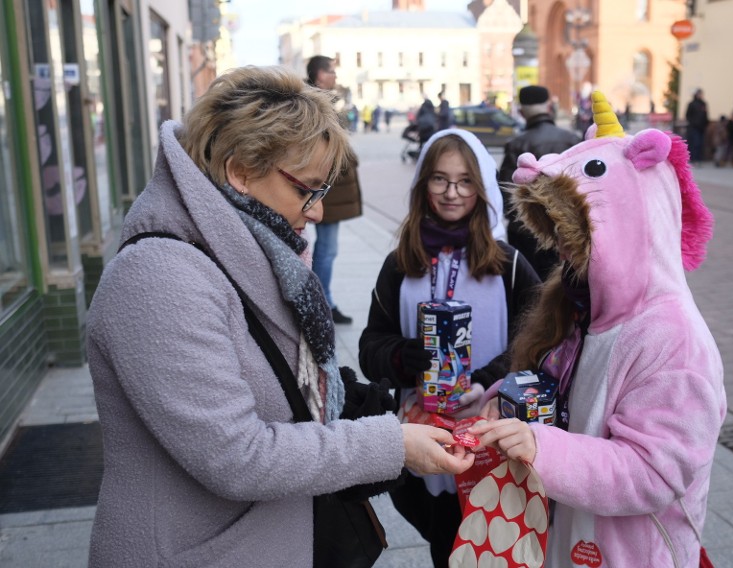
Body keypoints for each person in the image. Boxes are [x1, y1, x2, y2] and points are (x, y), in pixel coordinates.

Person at [85, 66, 474, 568]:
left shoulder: (250, 250)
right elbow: (236, 455)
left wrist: (391, 411)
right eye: (306, 189)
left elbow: (291, 383)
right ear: (240, 170)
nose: (316, 212)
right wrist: (391, 444)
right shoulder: (160, 277)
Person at [469, 93, 725, 568]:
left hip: (635, 552)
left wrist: (540, 447)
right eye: (558, 236)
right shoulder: (583, 306)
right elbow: (558, 393)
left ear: (626, 228)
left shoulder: (674, 338)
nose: (563, 252)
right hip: (579, 538)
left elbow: (653, 471)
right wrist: (504, 397)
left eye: (575, 235)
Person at [358, 129, 540, 567]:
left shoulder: (507, 262)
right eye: (439, 179)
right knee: (445, 543)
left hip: (491, 435)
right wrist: (405, 357)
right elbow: (371, 345)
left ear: (481, 187)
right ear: (423, 185)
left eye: (464, 181)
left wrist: (486, 380)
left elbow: (539, 341)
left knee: (492, 541)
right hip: (427, 438)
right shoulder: (402, 261)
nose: (452, 192)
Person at [499, 85, 582, 280]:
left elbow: (506, 197)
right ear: (549, 107)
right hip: (568, 233)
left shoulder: (517, 144)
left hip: (526, 236)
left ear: (521, 112)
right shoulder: (572, 140)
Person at [307, 55, 361, 324]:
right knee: (327, 248)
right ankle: (323, 302)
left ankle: (321, 299)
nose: (335, 77)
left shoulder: (320, 102)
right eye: (331, 72)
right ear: (319, 76)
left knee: (326, 247)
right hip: (325, 186)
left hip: (328, 185)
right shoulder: (316, 106)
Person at [685, 88, 709, 164]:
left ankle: (699, 159)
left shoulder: (704, 104)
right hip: (694, 127)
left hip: (702, 128)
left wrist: (706, 123)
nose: (701, 95)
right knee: (695, 143)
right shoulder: (691, 104)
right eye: (699, 94)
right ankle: (694, 159)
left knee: (701, 144)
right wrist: (693, 123)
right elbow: (688, 115)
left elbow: (705, 115)